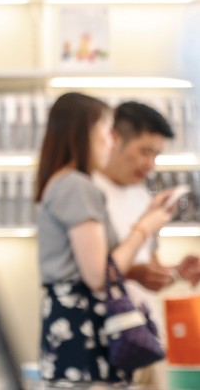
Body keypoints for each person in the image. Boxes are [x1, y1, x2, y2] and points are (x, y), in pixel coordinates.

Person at [35, 92, 175, 384]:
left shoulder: (64, 183)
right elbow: (99, 274)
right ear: (85, 134)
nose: (110, 143)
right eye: (105, 133)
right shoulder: (77, 186)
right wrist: (144, 228)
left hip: (77, 327)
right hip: (85, 329)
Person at [92, 101, 200, 389]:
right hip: (104, 338)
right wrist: (135, 271)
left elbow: (147, 269)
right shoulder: (88, 193)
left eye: (156, 155)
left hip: (146, 335)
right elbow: (89, 271)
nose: (149, 164)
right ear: (114, 139)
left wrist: (175, 272)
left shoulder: (142, 196)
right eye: (144, 151)